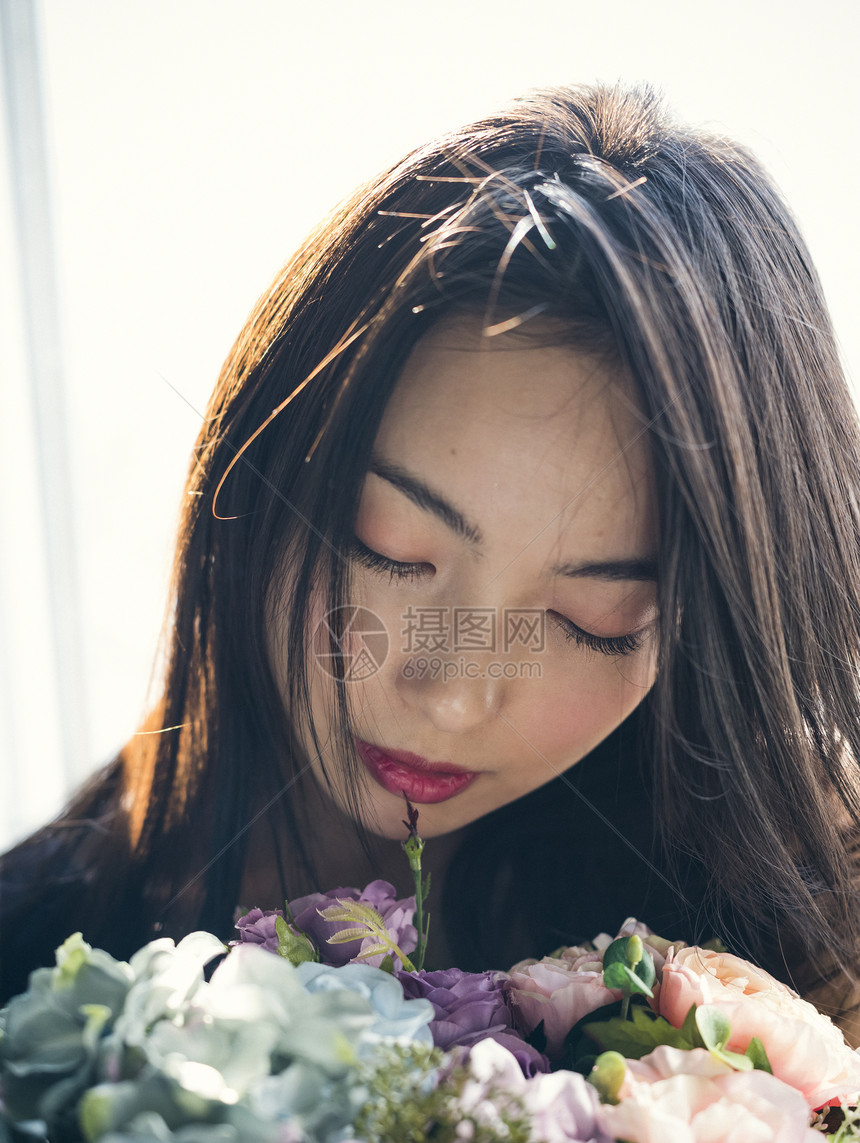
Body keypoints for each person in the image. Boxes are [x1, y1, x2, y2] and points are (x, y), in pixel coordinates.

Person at [3, 82, 860, 1039]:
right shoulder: (30, 976)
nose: (454, 696)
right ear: (259, 476)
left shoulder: (803, 945)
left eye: (595, 621)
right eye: (392, 549)